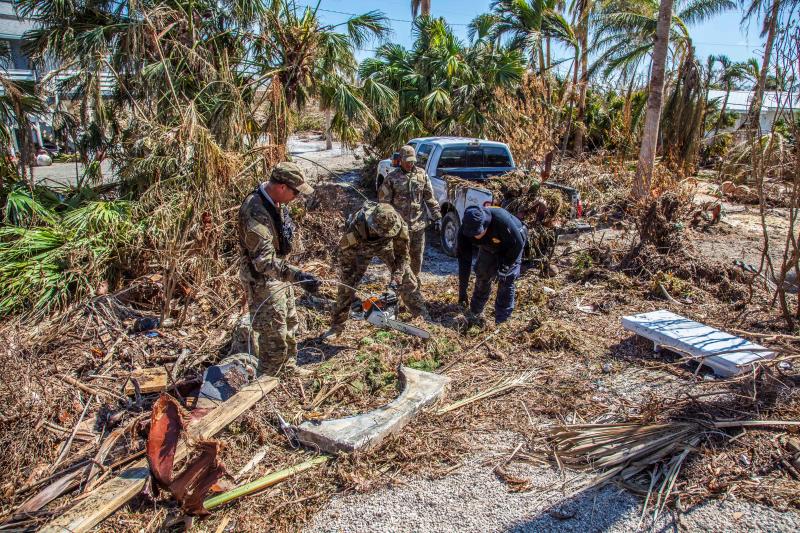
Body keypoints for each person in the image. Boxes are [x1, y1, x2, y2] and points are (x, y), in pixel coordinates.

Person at [238, 161, 322, 374]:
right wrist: (298, 275)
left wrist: (292, 275)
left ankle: (288, 369)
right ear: (282, 187)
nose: (296, 197)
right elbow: (263, 262)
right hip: (263, 280)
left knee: (290, 324)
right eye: (295, 192)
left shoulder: (276, 202)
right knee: (273, 334)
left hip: (280, 275)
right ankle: (270, 379)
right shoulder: (254, 210)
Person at [326, 202, 429, 336]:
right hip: (361, 247)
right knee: (346, 285)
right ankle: (336, 328)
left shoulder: (399, 225)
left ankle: (423, 317)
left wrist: (394, 285)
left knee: (407, 279)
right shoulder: (357, 225)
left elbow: (402, 258)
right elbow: (346, 260)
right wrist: (351, 291)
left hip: (386, 246)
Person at [458, 205, 528, 326]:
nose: (475, 236)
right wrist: (462, 291)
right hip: (489, 246)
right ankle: (475, 312)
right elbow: (464, 262)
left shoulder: (501, 220)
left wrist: (506, 265)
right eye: (472, 234)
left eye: (478, 232)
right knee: (482, 274)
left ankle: (502, 320)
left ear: (485, 224)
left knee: (506, 279)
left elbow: (518, 243)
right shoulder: (464, 232)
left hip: (512, 244)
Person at [378, 145, 441, 276]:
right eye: (407, 161)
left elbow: (429, 197)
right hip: (400, 228)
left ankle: (414, 284)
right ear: (400, 160)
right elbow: (384, 204)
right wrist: (386, 224)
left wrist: (437, 215)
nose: (409, 164)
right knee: (400, 259)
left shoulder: (422, 174)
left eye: (412, 161)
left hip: (419, 226)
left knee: (417, 258)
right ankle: (398, 285)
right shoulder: (391, 178)